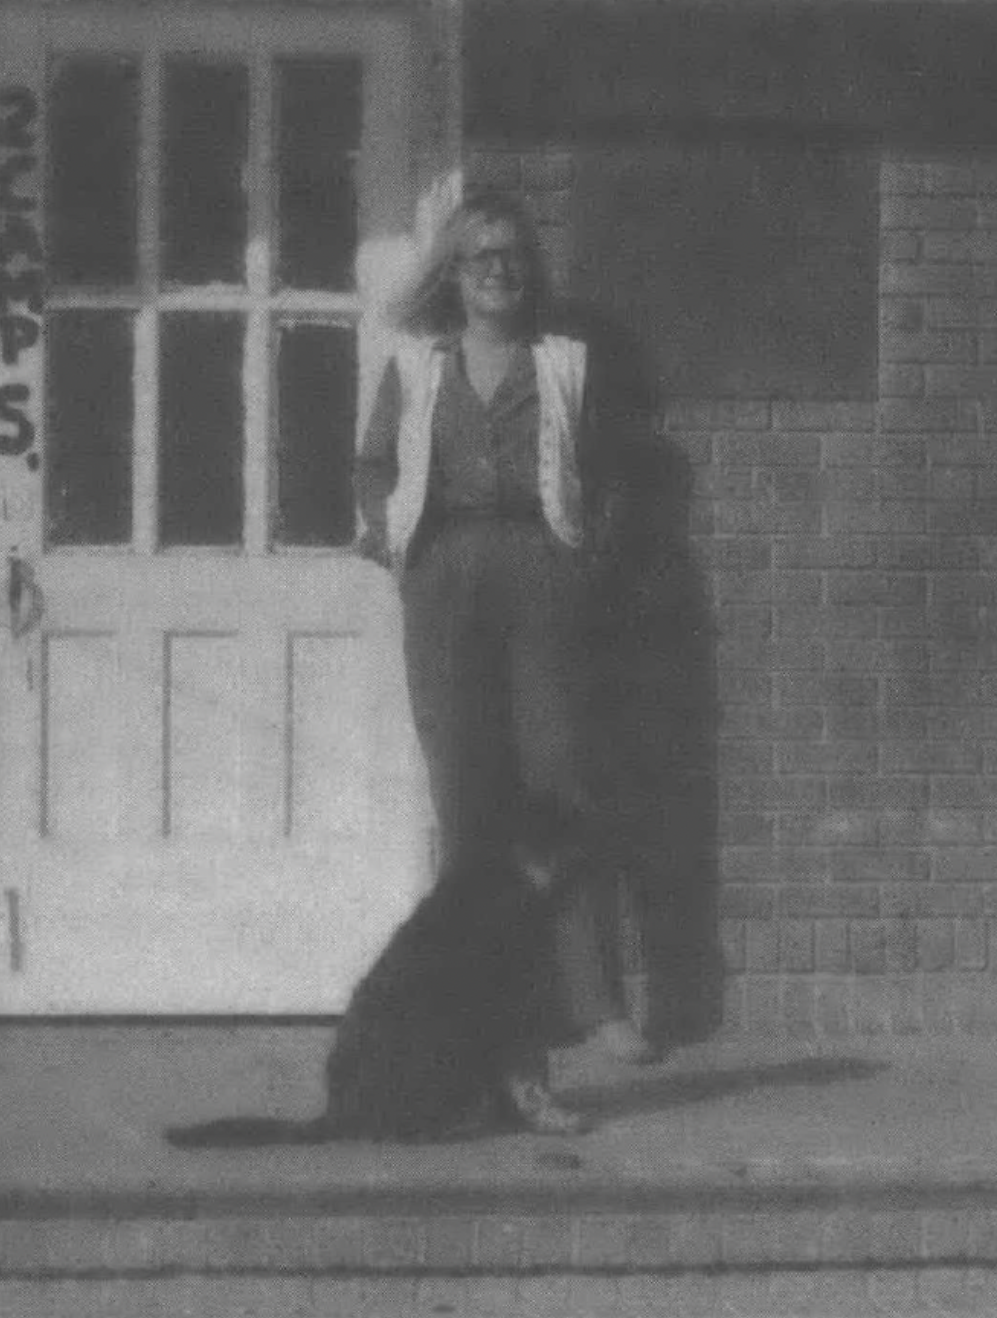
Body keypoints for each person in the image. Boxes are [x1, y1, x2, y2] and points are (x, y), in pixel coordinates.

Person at [354, 183, 658, 1137]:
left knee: (557, 789)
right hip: (445, 577)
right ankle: (481, 1015)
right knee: (466, 800)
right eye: (480, 255)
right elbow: (373, 467)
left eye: (513, 256)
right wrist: (380, 528)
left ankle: (594, 1001)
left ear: (531, 272)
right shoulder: (415, 365)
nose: (498, 271)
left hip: (539, 573)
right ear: (454, 271)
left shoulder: (562, 365)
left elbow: (606, 476)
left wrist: (582, 558)